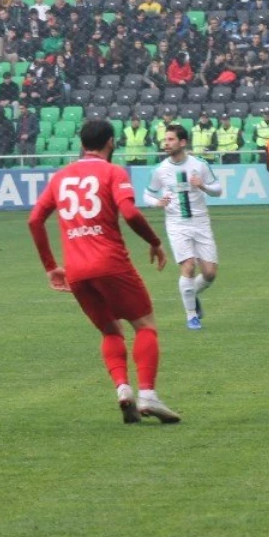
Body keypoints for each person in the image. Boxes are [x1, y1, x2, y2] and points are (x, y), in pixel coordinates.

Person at [27, 119, 180, 424]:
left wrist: (50, 267)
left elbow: (34, 220)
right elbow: (130, 212)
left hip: (76, 270)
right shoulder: (113, 172)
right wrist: (155, 242)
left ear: (82, 144)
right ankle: (147, 395)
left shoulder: (61, 177)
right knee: (145, 325)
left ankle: (124, 390)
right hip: (111, 263)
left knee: (110, 330)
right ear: (111, 142)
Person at [143, 124, 223, 331]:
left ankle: (192, 294)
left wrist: (203, 186)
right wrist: (157, 202)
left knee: (210, 273)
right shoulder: (160, 170)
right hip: (177, 224)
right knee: (188, 266)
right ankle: (191, 316)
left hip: (201, 223)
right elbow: (147, 195)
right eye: (165, 139)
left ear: (182, 142)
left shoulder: (200, 165)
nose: (165, 143)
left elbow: (218, 190)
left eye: (170, 139)